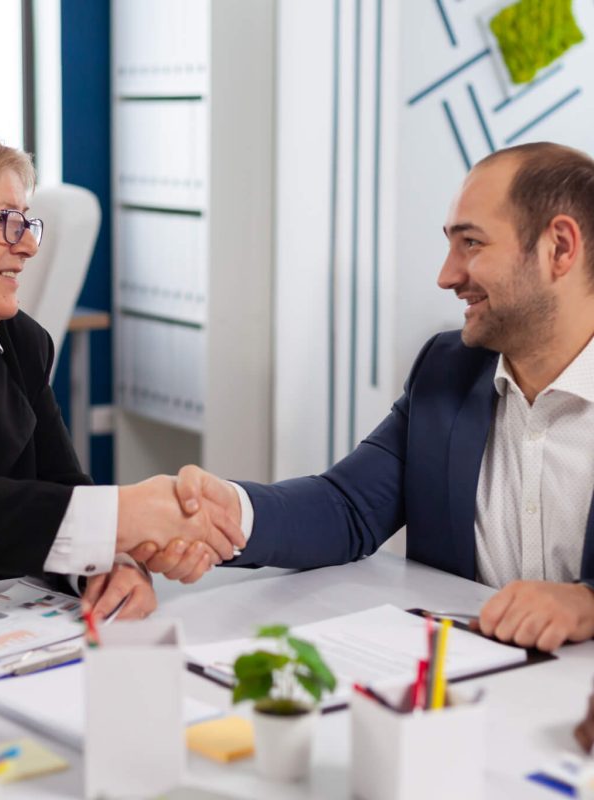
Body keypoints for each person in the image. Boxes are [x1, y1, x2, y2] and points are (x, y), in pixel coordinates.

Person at [138, 141, 594, 652]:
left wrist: (587, 603)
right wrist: (231, 512)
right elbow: (348, 506)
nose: (447, 276)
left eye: (472, 244)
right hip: (462, 686)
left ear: (559, 248)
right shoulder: (449, 370)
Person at [0, 137, 245, 618]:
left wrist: (111, 561)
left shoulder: (22, 342)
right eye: (8, 222)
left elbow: (63, 484)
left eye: (28, 223)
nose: (27, 246)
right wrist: (124, 515)